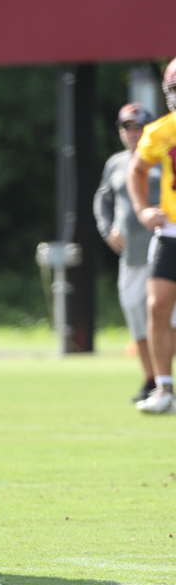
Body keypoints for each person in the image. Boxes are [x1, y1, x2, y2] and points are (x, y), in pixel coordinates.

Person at [94, 103, 170, 404]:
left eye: (139, 126)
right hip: (132, 255)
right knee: (139, 319)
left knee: (165, 316)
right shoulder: (115, 163)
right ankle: (152, 381)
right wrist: (107, 228)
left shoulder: (164, 154)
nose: (133, 133)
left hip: (164, 246)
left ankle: (166, 381)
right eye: (127, 127)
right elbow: (102, 200)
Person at [128, 58, 176, 414]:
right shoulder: (161, 130)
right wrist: (144, 209)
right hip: (172, 230)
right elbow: (137, 171)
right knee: (157, 305)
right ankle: (164, 388)